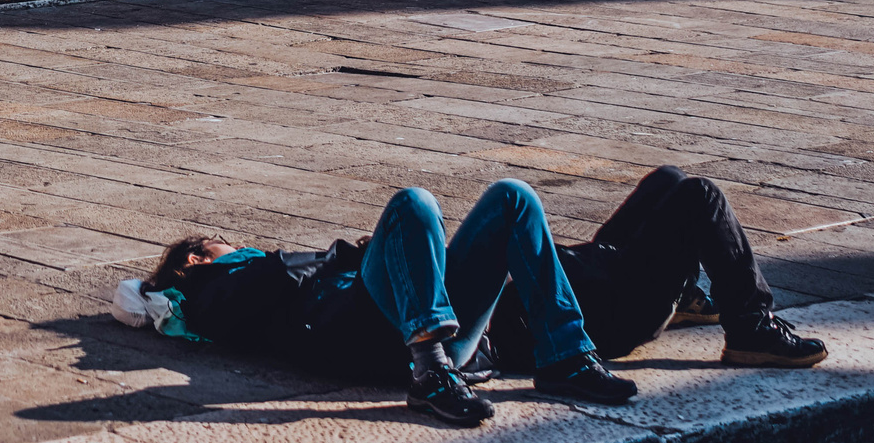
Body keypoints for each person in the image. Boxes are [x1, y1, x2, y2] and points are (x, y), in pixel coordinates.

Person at [140, 178, 634, 428]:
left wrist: (373, 255)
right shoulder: (218, 283)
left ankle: (565, 354)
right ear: (197, 259)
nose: (227, 240)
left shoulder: (260, 268)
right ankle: (430, 373)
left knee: (513, 196)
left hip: (419, 327)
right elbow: (236, 311)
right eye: (215, 241)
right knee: (412, 202)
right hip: (355, 332)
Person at [489, 165, 827, 369]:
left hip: (602, 277)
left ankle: (684, 298)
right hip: (616, 309)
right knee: (701, 195)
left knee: (668, 178)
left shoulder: (492, 321)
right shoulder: (510, 338)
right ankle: (751, 329)